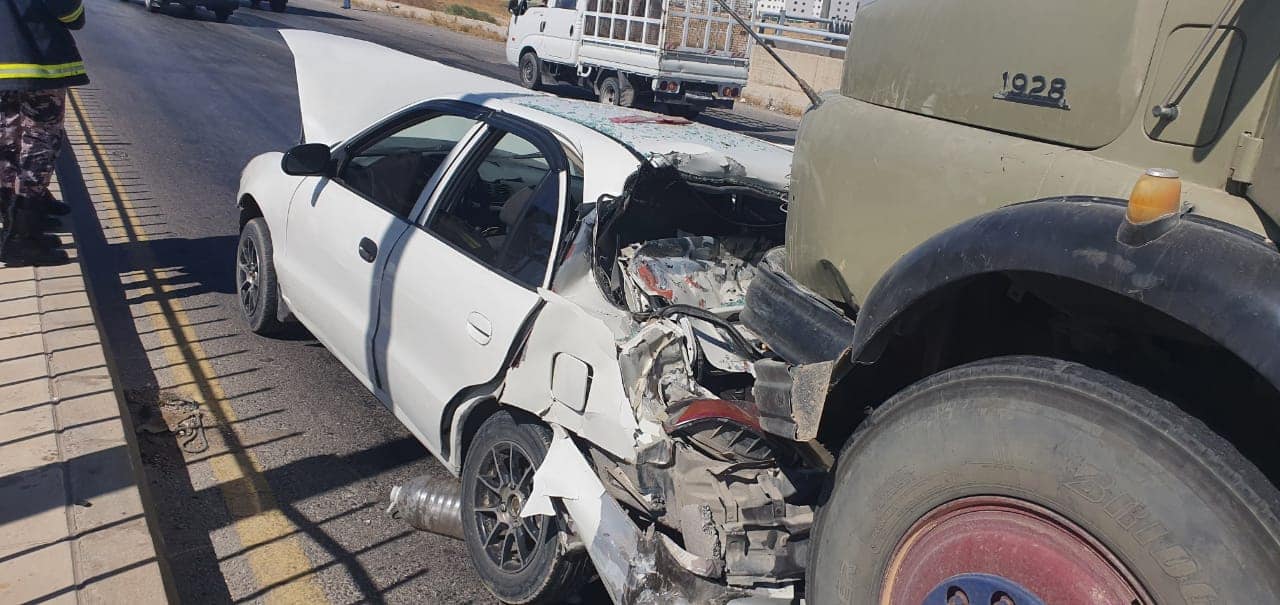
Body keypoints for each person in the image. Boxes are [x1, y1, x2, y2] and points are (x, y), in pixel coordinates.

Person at [1, 0, 88, 266]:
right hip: (34, 60)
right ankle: (22, 239)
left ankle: (11, 225)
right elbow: (71, 13)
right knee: (39, 144)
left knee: (8, 139)